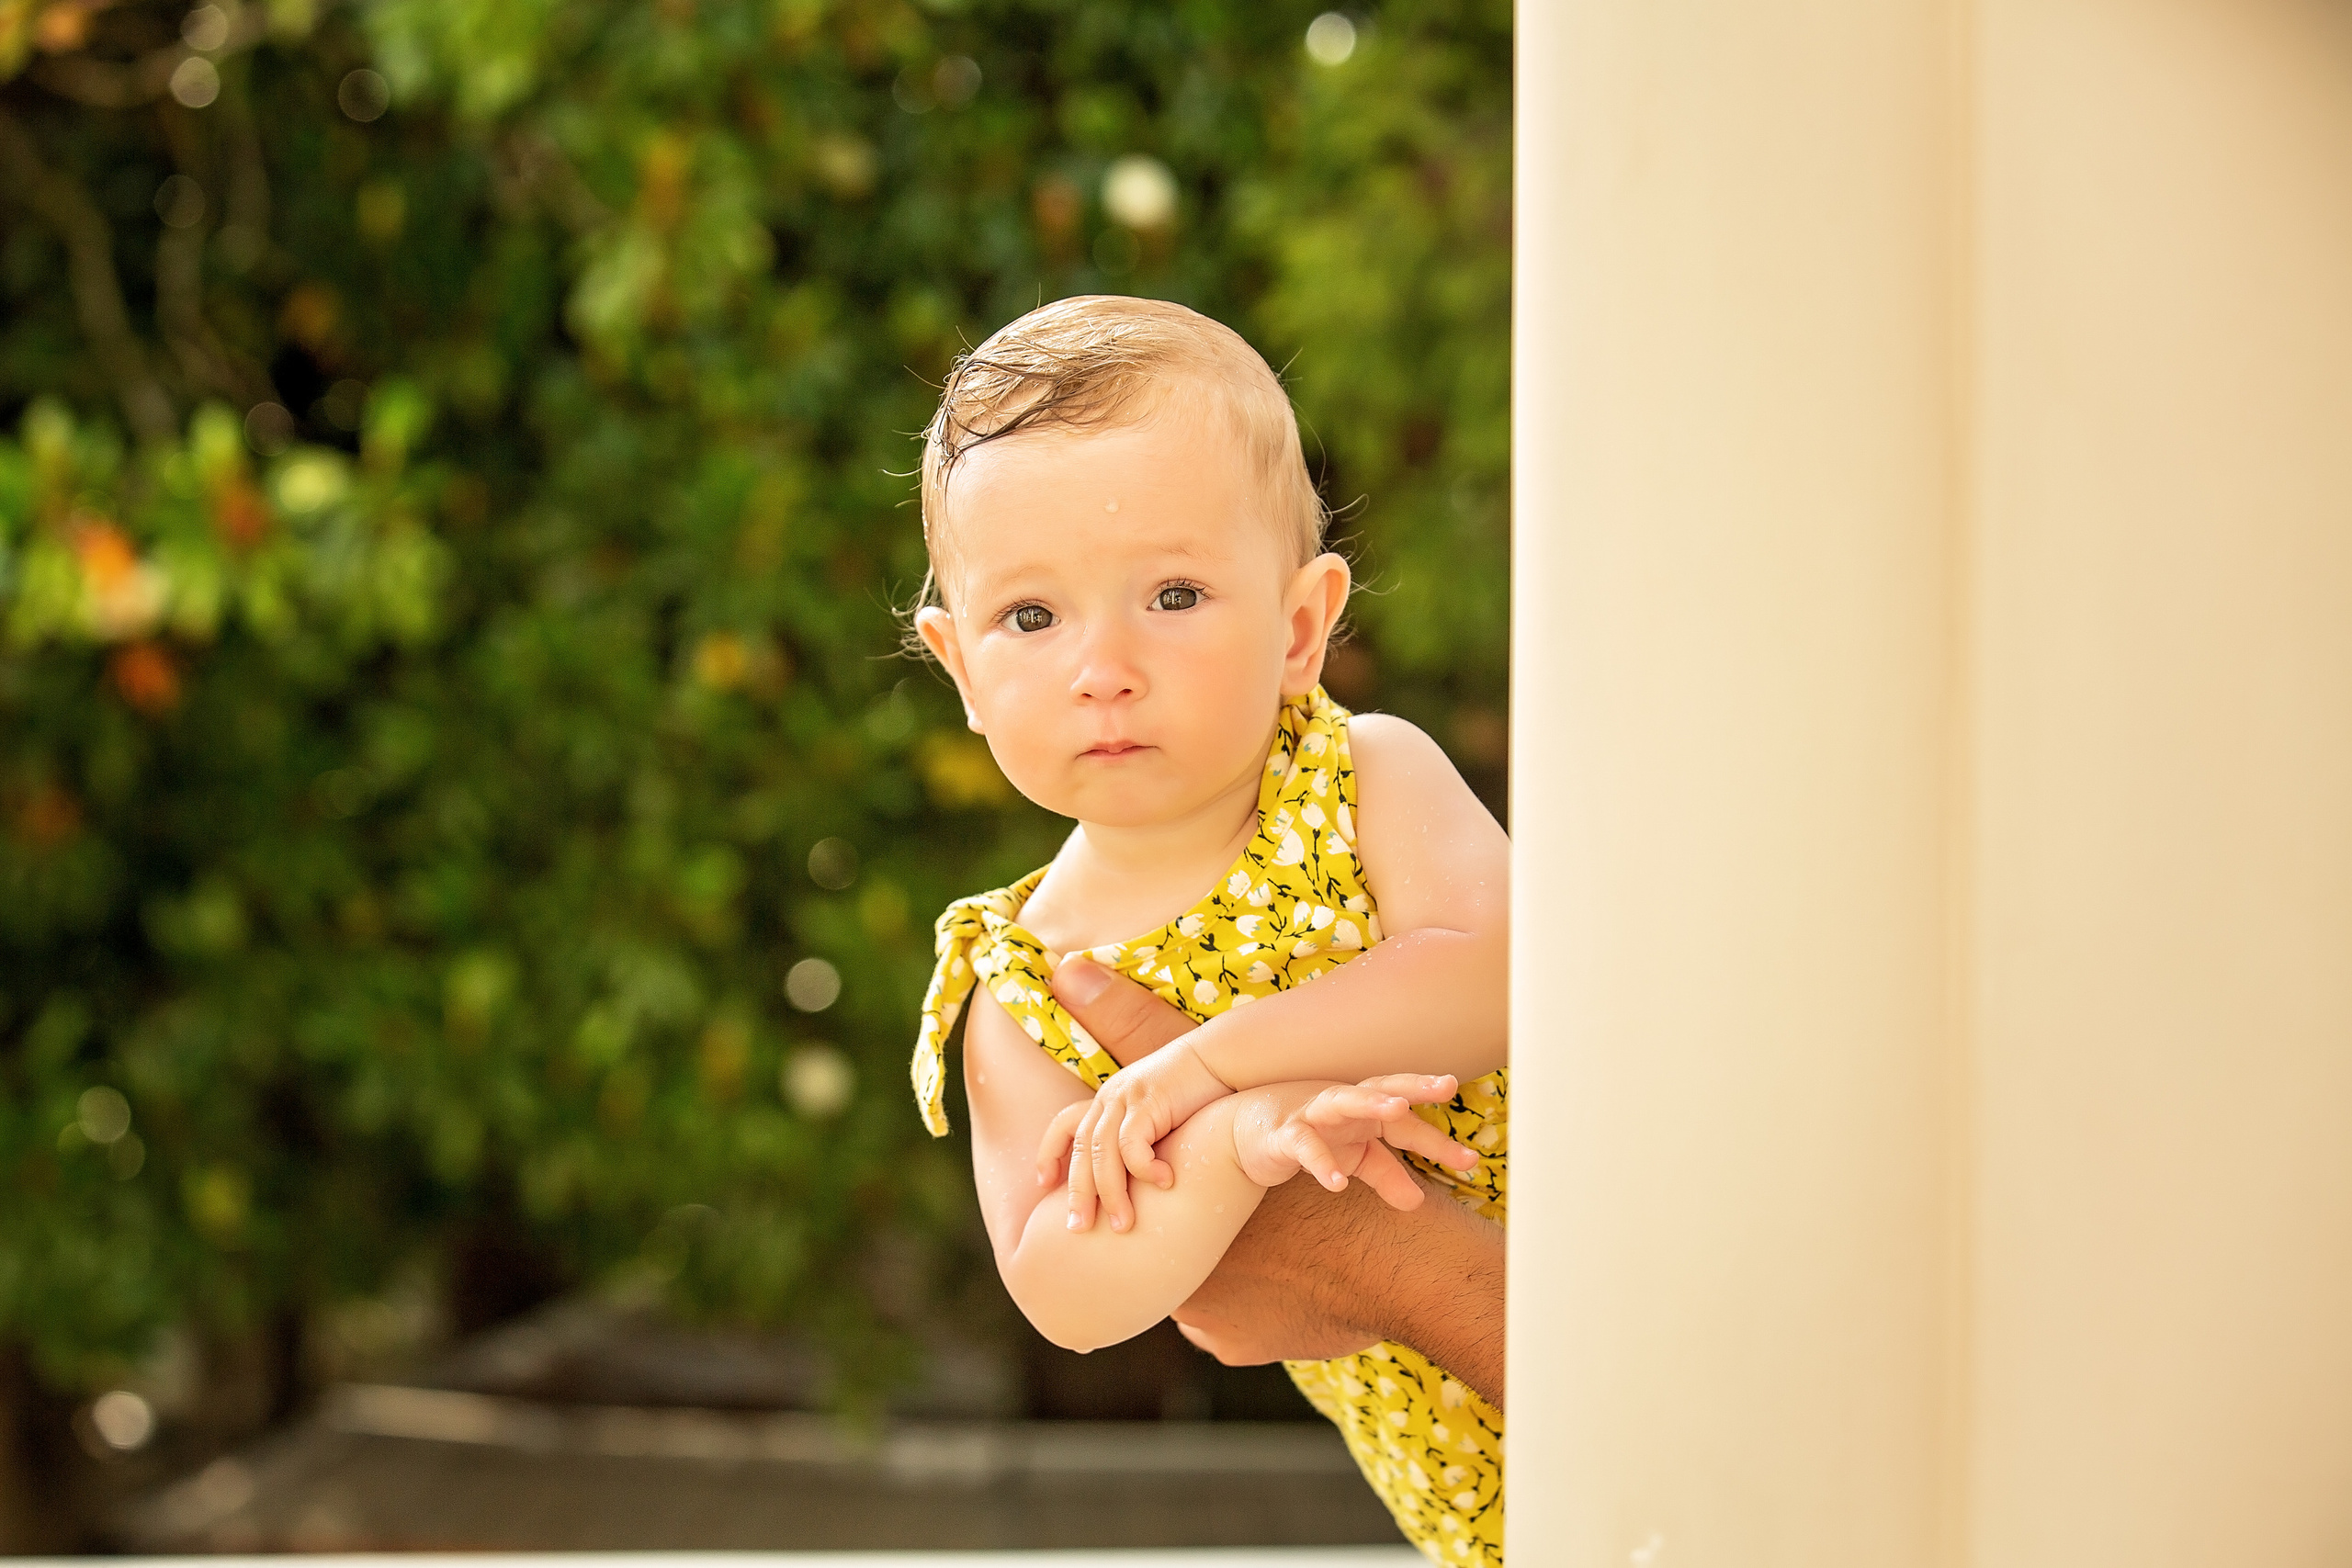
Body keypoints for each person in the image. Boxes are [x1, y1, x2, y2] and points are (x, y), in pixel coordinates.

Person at [908, 295, 1509, 1564]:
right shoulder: (1029, 985)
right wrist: (1237, 1143)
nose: (1103, 666)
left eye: (1173, 594)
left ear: (1301, 626)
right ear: (960, 670)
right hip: (1470, 1473)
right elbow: (1062, 1287)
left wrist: (1208, 1065)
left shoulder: (1365, 780)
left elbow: (1506, 978)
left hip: (1667, 1284)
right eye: (1032, 617)